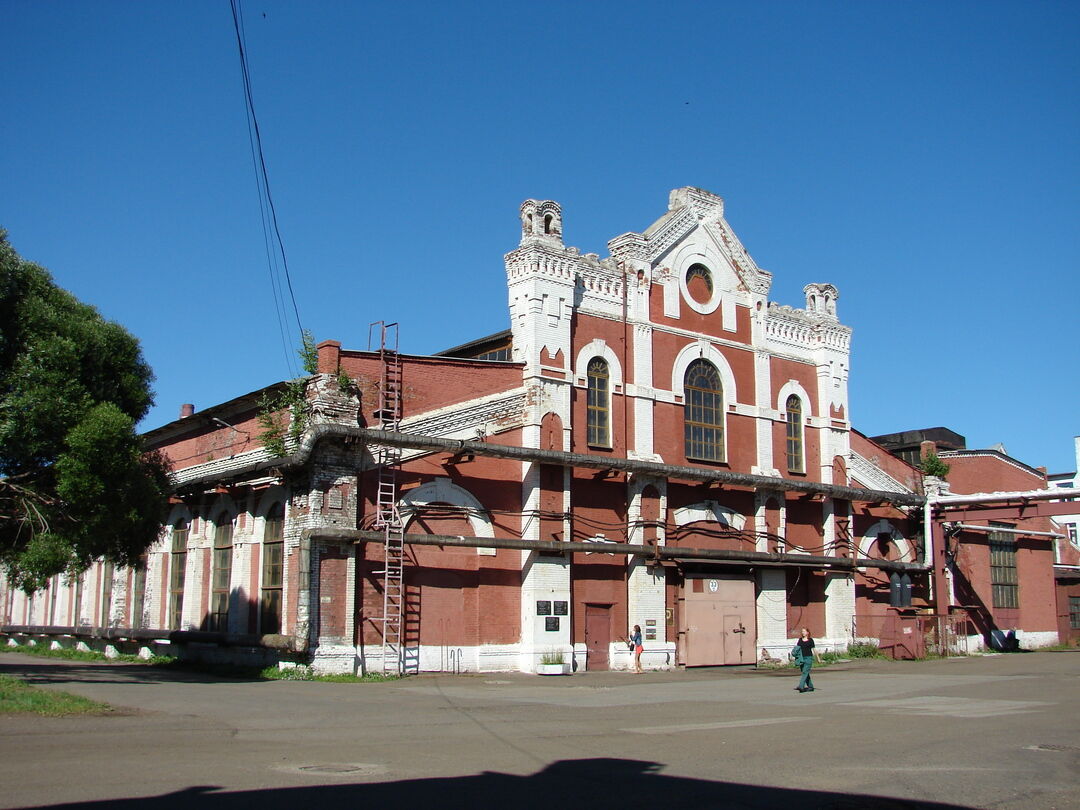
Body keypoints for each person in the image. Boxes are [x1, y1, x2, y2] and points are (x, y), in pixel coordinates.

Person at [793, 627, 815, 692]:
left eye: (804, 631)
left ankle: (801, 686)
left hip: (808, 658)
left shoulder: (810, 640)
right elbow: (797, 649)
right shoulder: (800, 640)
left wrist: (818, 658)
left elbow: (814, 649)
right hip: (801, 658)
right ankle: (811, 686)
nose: (803, 633)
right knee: (805, 672)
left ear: (807, 632)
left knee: (805, 672)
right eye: (802, 631)